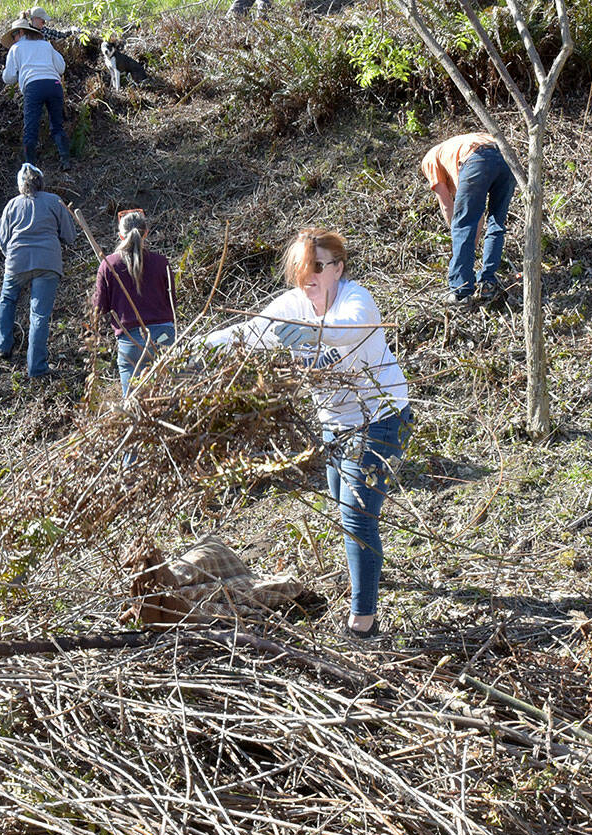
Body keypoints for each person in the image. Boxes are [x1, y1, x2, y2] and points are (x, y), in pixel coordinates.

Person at [205, 228, 411, 639]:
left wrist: (318, 334)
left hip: (380, 418)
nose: (309, 276)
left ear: (338, 268)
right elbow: (252, 331)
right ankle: (367, 573)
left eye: (318, 266)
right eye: (302, 267)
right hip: (335, 425)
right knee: (343, 505)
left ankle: (363, 623)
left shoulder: (357, 299)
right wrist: (204, 345)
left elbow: (353, 330)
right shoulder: (294, 304)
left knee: (356, 517)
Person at [0, 163, 77, 379]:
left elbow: (2, 238)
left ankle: (2, 345)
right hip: (48, 262)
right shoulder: (54, 201)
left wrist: (11, 254)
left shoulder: (12, 204)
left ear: (21, 184)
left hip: (17, 261)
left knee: (8, 300)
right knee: (39, 314)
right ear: (41, 181)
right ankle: (37, 367)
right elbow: (69, 235)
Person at [422, 132, 516, 307]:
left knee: (462, 225)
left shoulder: (430, 159)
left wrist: (459, 240)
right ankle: (488, 283)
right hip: (507, 158)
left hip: (477, 158)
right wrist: (470, 242)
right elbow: (476, 215)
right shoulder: (456, 149)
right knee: (496, 223)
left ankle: (461, 291)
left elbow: (447, 206)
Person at [93, 209, 176, 395]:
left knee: (133, 405)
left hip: (131, 341)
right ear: (146, 232)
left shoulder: (109, 265)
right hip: (164, 336)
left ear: (120, 235)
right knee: (170, 395)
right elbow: (172, 303)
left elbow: (99, 308)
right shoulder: (161, 262)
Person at [1, 18, 69, 170]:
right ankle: (65, 160)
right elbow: (61, 67)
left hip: (34, 87)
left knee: (31, 128)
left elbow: (9, 78)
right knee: (57, 125)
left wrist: (7, 71)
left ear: (21, 32)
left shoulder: (16, 48)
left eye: (14, 35)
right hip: (54, 85)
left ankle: (30, 167)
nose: (13, 39)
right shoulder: (46, 45)